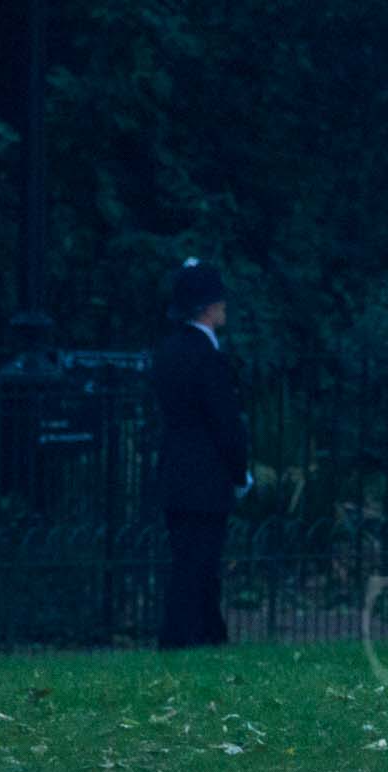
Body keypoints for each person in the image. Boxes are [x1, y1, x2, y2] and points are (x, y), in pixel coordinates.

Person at [150, 259, 249, 649]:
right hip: (206, 476)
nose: (224, 306)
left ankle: (210, 635)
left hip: (176, 472)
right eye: (219, 300)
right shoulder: (208, 357)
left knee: (193, 561)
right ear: (208, 307)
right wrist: (240, 472)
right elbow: (225, 423)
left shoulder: (168, 351)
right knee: (198, 564)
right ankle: (181, 639)